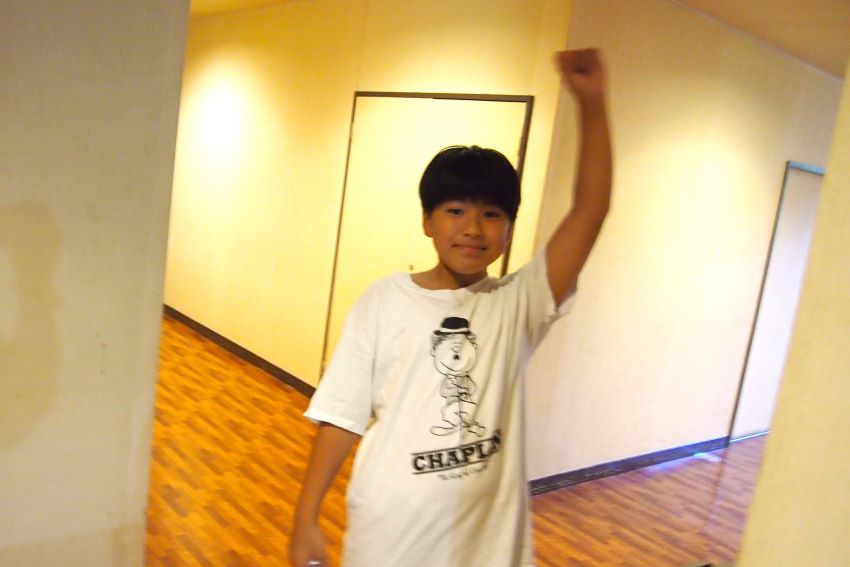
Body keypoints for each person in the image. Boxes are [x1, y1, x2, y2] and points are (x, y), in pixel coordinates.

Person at [290, 48, 612, 567]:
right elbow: (342, 413)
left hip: (486, 544)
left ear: (508, 228)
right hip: (390, 536)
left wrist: (592, 104)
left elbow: (590, 210)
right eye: (456, 210)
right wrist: (306, 516)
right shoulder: (384, 299)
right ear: (427, 221)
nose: (473, 228)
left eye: (492, 214)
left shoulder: (518, 303)